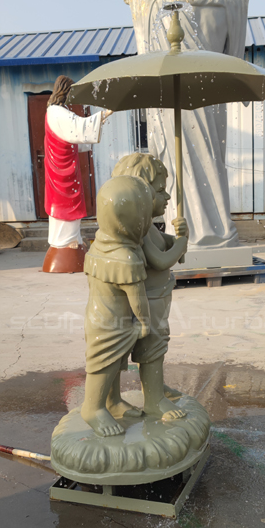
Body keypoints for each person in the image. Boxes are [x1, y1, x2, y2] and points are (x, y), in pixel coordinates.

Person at [109, 153, 188, 421]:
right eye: (160, 191)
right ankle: (152, 400)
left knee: (158, 346)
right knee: (150, 348)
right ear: (139, 196)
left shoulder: (146, 228)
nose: (166, 197)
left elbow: (162, 242)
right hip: (147, 299)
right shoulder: (135, 231)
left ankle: (155, 387)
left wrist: (176, 237)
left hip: (158, 296)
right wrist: (181, 244)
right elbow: (160, 259)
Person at [80, 175, 152, 437]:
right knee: (104, 366)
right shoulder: (126, 259)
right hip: (114, 325)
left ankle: (112, 401)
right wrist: (144, 322)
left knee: (113, 363)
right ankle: (93, 408)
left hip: (97, 317)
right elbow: (138, 298)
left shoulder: (99, 244)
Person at [42, 75, 112, 274]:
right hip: (61, 170)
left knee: (67, 203)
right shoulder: (57, 112)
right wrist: (103, 115)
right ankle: (67, 242)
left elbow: (75, 135)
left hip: (63, 165)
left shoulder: (57, 111)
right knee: (66, 204)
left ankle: (70, 240)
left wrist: (98, 122)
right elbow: (81, 128)